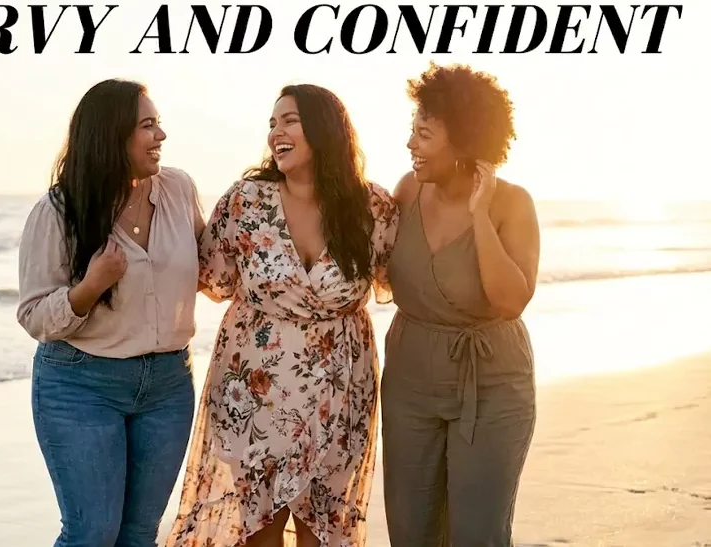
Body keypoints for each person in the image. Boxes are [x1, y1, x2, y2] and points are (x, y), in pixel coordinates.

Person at [166, 84, 399, 547]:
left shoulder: (372, 207)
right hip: (256, 389)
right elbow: (209, 276)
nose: (277, 133)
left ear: (325, 129)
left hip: (340, 392)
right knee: (259, 529)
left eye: (289, 120)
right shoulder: (245, 202)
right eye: (273, 124)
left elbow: (401, 281)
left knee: (324, 529)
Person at [16, 79, 204, 547]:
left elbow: (215, 264)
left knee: (140, 536)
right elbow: (35, 315)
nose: (160, 136)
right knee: (91, 533)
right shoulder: (59, 211)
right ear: (111, 135)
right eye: (147, 126)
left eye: (158, 124)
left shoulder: (178, 189)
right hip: (81, 386)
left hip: (167, 385)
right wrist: (90, 287)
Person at [380, 61, 541, 545]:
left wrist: (480, 217)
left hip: (491, 382)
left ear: (465, 142)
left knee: (477, 533)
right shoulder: (407, 191)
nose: (411, 144)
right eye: (412, 130)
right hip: (410, 376)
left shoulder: (513, 203)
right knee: (411, 529)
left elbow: (511, 300)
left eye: (424, 134)